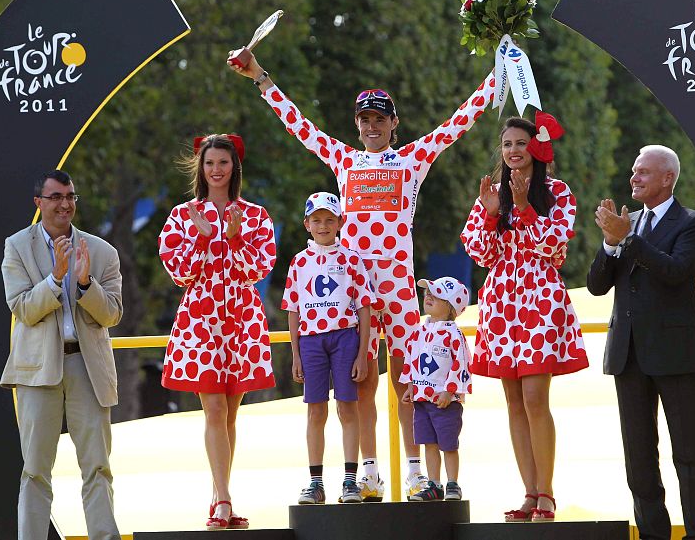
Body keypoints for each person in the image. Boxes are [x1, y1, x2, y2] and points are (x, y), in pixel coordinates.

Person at [229, 49, 498, 500]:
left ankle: (416, 472)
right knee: (363, 383)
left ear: (395, 124)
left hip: (397, 285)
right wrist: (260, 77)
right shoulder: (343, 160)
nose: (372, 127)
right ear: (357, 125)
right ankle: (368, 471)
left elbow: (459, 122)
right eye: (365, 120)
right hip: (354, 292)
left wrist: (498, 74)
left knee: (411, 380)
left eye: (380, 120)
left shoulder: (413, 159)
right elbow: (299, 126)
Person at [460, 113, 588, 522]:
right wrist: (493, 213)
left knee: (535, 397)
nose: (513, 150)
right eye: (507, 144)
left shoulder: (559, 193)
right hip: (500, 302)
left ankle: (548, 493)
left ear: (536, 147)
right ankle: (530, 493)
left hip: (539, 299)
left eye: (520, 143)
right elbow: (480, 253)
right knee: (513, 400)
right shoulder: (489, 193)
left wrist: (522, 208)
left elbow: (552, 246)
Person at [587, 145, 695, 540]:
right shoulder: (627, 224)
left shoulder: (693, 222)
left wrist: (629, 240)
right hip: (628, 356)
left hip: (676, 355)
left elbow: (676, 271)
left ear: (667, 178)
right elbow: (595, 285)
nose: (634, 178)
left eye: (643, 172)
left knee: (688, 454)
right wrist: (611, 244)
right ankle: (653, 534)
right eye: (633, 171)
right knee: (639, 460)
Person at [158, 133, 276, 530]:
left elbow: (258, 270)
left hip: (242, 320)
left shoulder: (256, 215)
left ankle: (218, 495)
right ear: (201, 167)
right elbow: (179, 272)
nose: (216, 170)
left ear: (234, 167)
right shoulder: (181, 215)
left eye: (223, 162)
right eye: (210, 163)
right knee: (215, 409)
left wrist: (235, 236)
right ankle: (224, 499)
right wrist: (204, 238)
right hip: (201, 320)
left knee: (229, 416)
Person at [0, 170, 123, 540]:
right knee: (36, 470)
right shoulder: (16, 247)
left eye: (70, 196)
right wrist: (55, 279)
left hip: (88, 368)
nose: (65, 204)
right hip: (38, 370)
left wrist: (85, 283)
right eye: (55, 197)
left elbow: (112, 314)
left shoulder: (101, 251)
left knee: (98, 467)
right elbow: (22, 307)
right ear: (38, 203)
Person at [283, 191, 375, 504]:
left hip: (345, 337)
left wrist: (362, 353)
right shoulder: (299, 262)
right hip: (311, 341)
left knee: (348, 406)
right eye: (317, 220)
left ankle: (350, 480)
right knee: (315, 410)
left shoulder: (351, 258)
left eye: (329, 219)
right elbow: (293, 309)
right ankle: (315, 483)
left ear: (340, 223)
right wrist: (295, 353)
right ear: (306, 224)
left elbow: (364, 306)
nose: (323, 225)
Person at [400, 277, 472, 502]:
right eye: (428, 292)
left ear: (451, 307)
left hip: (444, 401)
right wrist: (410, 386)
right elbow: (412, 359)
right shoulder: (418, 333)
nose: (428, 296)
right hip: (421, 401)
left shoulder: (454, 334)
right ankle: (434, 484)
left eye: (437, 295)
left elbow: (461, 363)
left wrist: (450, 391)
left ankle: (452, 483)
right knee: (428, 442)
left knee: (448, 444)